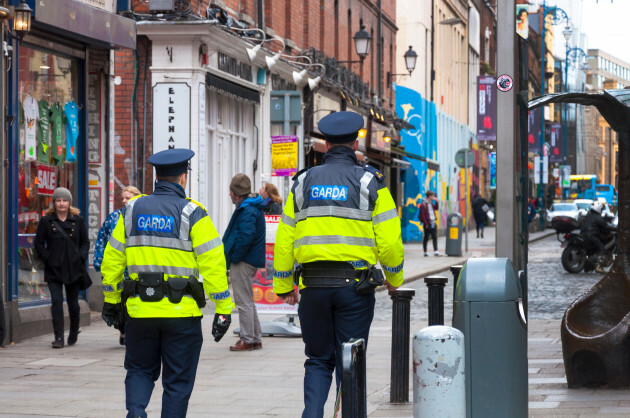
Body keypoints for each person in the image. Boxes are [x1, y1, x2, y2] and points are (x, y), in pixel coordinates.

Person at [273, 111, 404, 417]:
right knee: (351, 359)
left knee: (317, 359)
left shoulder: (302, 183)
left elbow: (285, 239)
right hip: (355, 291)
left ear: (325, 143)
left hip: (313, 288)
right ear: (356, 140)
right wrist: (394, 278)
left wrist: (282, 285)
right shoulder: (371, 182)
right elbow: (389, 242)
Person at [101, 148, 234, 418]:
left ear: (157, 177)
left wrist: (111, 301)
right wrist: (223, 308)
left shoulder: (131, 210)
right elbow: (213, 264)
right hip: (181, 315)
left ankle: (136, 411)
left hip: (140, 312)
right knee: (177, 383)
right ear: (182, 178)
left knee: (139, 370)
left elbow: (112, 259)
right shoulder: (193, 214)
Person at [34, 187, 89, 349]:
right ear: (54, 202)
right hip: (54, 268)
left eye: (64, 200)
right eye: (58, 200)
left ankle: (73, 331)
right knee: (56, 301)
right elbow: (38, 243)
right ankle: (58, 337)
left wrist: (81, 256)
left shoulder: (78, 220)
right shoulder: (47, 221)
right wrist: (47, 258)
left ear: (69, 202)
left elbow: (85, 242)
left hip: (73, 268)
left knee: (73, 303)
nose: (61, 203)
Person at [93, 185, 142, 345]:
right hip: (119, 269)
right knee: (120, 301)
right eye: (123, 198)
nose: (124, 201)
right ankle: (123, 329)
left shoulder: (141, 218)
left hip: (136, 269)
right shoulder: (114, 218)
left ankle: (130, 330)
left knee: (132, 301)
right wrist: (100, 262)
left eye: (128, 198)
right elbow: (102, 240)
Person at [223, 173, 266, 351]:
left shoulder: (247, 210)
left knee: (243, 301)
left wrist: (235, 257)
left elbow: (245, 238)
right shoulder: (251, 207)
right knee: (248, 299)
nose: (229, 195)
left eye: (231, 192)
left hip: (243, 261)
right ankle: (255, 338)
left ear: (237, 194)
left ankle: (247, 339)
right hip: (249, 259)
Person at [580, 201, 616, 273]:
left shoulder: (588, 216)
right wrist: (615, 228)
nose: (601, 210)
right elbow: (605, 226)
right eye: (601, 209)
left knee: (595, 250)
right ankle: (599, 266)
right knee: (602, 249)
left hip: (584, 235)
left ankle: (589, 265)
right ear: (598, 209)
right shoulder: (597, 217)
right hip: (591, 236)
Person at [419, 190, 441, 256]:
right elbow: (422, 215)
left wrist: (436, 202)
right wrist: (426, 223)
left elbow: (436, 208)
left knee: (434, 237)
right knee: (426, 237)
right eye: (433, 196)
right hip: (427, 223)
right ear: (429, 196)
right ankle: (425, 251)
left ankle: (436, 251)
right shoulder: (423, 205)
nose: (434, 197)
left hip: (433, 222)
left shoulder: (431, 203)